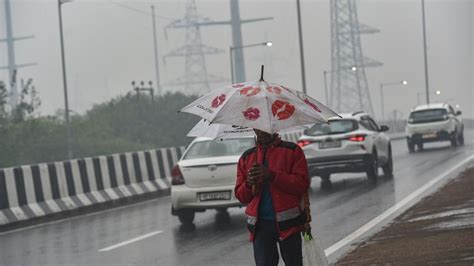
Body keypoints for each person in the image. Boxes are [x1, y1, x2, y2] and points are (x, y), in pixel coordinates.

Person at [235, 129, 310, 266]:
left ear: (274, 127)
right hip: (260, 227)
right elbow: (241, 196)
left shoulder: (292, 150)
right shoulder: (247, 157)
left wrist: (272, 175)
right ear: (254, 129)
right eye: (258, 128)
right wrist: (249, 183)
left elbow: (302, 184)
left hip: (289, 224)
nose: (262, 132)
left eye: (265, 128)